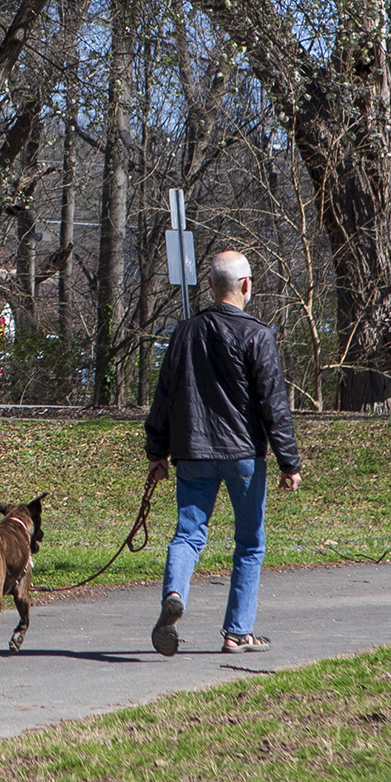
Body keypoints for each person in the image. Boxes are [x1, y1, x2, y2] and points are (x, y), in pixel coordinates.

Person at [142, 247, 302, 655]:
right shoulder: (258, 334)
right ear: (246, 285)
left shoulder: (183, 333)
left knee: (187, 535)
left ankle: (174, 593)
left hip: (192, 453)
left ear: (211, 285)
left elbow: (164, 397)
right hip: (243, 455)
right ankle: (237, 632)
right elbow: (273, 403)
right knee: (249, 543)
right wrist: (289, 462)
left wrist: (157, 452)